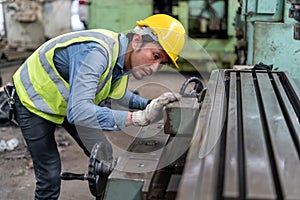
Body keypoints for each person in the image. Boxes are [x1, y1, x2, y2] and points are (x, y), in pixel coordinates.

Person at [11, 14, 185, 199]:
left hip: (69, 104)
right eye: (155, 56)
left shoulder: (122, 61)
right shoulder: (97, 53)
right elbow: (78, 112)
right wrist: (136, 118)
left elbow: (118, 94)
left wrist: (151, 104)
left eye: (162, 63)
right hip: (34, 102)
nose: (154, 68)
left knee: (104, 153)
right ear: (137, 41)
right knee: (50, 175)